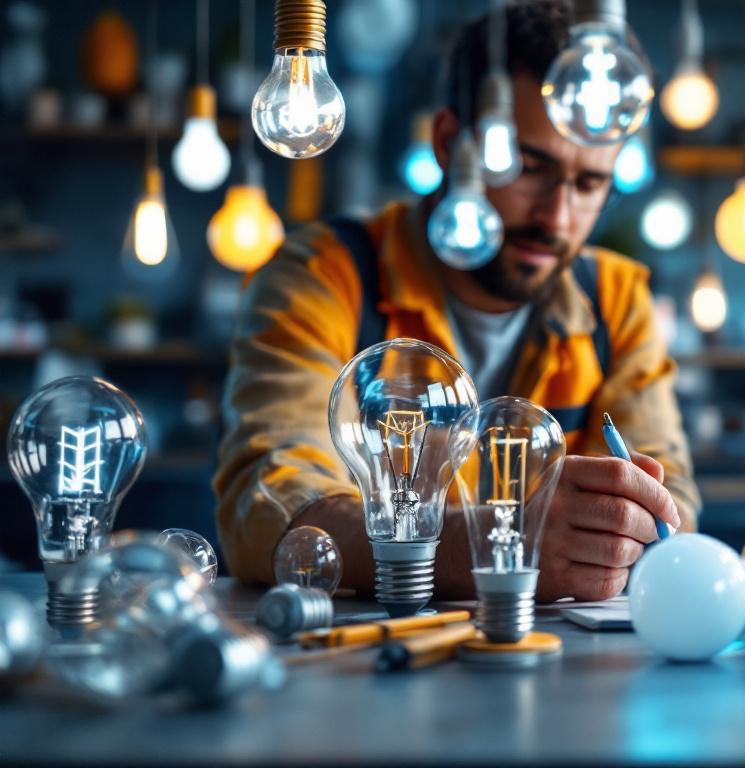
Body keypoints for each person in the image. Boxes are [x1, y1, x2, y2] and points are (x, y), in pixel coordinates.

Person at [213, 0, 697, 603]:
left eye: (589, 181)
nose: (557, 217)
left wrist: (630, 523)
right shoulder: (325, 276)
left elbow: (669, 496)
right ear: (448, 142)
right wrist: (501, 542)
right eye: (526, 165)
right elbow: (268, 508)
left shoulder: (617, 299)